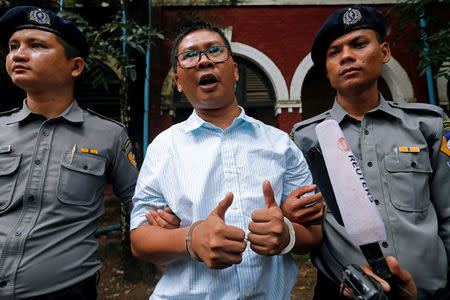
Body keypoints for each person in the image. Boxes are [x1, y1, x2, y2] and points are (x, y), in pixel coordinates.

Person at [130, 20, 324, 299]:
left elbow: (313, 231)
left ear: (234, 71)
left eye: (214, 51)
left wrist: (287, 235)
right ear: (178, 83)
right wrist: (190, 239)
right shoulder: (163, 148)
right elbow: (139, 239)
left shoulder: (280, 144)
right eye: (189, 56)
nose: (204, 61)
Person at [289, 5, 450, 299]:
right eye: (334, 52)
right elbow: (303, 230)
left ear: (384, 52)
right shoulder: (305, 140)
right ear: (327, 70)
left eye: (359, 44)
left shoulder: (428, 125)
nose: (347, 56)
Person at [0, 6, 138, 299]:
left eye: (36, 45)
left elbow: (141, 203)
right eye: (14, 46)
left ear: (75, 67)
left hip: (65, 292)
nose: (18, 55)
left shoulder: (109, 135)